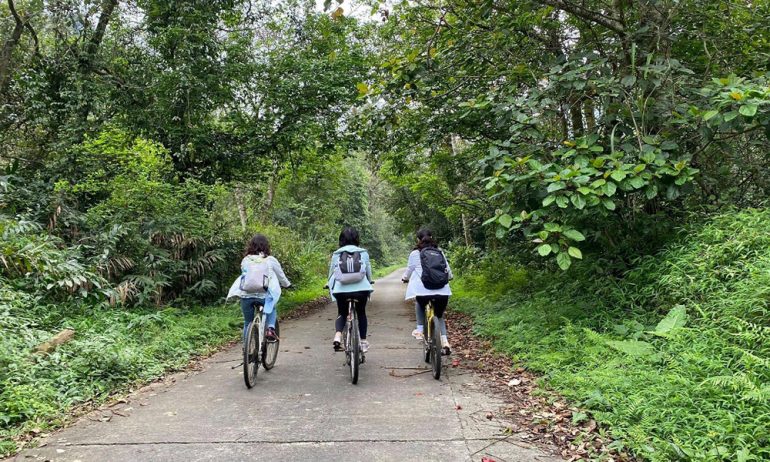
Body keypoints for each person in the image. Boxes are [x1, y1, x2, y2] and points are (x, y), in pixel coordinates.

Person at [401, 228, 453, 355]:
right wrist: (449, 277)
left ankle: (419, 329)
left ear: (418, 239)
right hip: (442, 292)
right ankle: (445, 341)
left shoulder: (414, 254)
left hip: (423, 291)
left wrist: (404, 278)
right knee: (439, 315)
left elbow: (409, 271)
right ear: (431, 237)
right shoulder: (439, 252)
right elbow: (448, 272)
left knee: (419, 302)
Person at [233, 234, 291, 342]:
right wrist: (287, 284)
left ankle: (246, 349)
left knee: (247, 322)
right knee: (272, 307)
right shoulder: (270, 260)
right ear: (266, 246)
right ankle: (270, 329)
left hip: (246, 295)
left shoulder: (246, 260)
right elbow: (281, 276)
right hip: (264, 295)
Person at [327, 227, 374, 353]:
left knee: (342, 313)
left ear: (341, 240)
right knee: (361, 313)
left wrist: (328, 284)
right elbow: (368, 272)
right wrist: (369, 282)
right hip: (361, 290)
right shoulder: (363, 252)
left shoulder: (336, 254)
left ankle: (337, 335)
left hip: (341, 291)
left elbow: (331, 273)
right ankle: (363, 341)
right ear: (357, 239)